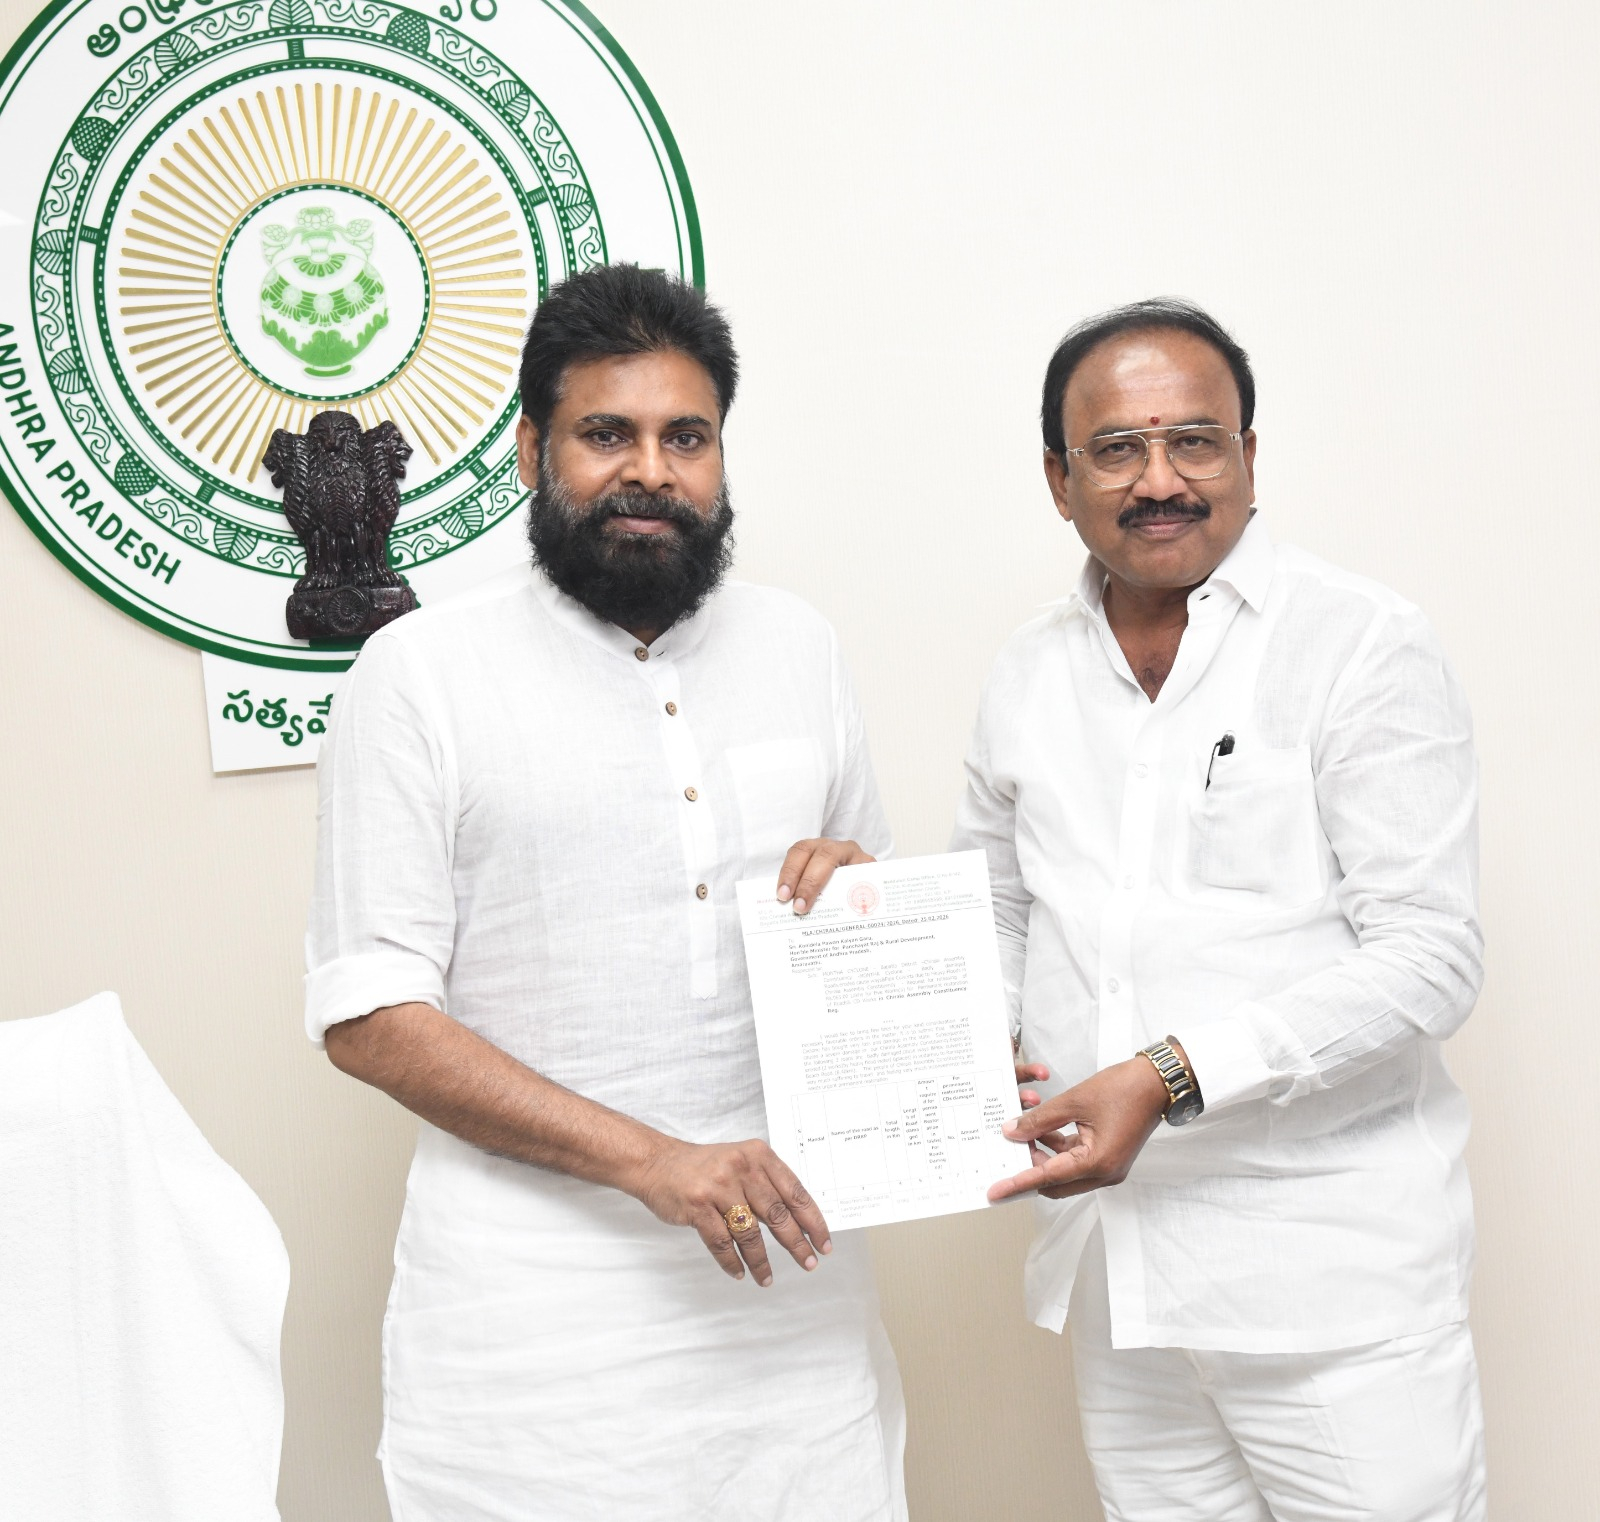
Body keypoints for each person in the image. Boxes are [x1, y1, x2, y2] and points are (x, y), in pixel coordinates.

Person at [305, 264, 907, 1521]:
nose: (650, 471)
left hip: (792, 1308)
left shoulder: (799, 646)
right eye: (606, 434)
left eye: (686, 437)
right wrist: (655, 1161)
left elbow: (873, 923)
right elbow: (369, 1014)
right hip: (532, 1340)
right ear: (534, 451)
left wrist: (867, 905)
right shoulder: (418, 673)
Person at [954, 299, 1486, 1521]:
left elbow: (1431, 957)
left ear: (1248, 455)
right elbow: (993, 904)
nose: (1160, 481)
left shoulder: (1361, 644)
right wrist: (943, 1023)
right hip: (1117, 1281)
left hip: (1327, 1289)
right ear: (1058, 479)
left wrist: (1167, 1075)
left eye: (1194, 441)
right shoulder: (1026, 672)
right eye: (1116, 450)